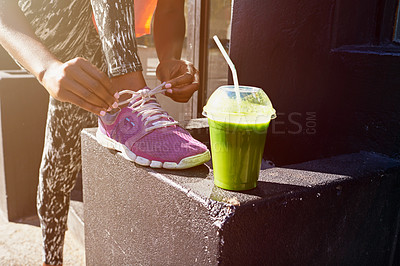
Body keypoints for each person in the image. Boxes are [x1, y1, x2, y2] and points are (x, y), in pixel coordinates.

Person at [0, 0, 210, 265]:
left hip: (94, 39)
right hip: (36, 21)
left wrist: (169, 58)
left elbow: (169, 8)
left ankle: (50, 261)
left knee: (59, 162)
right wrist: (46, 68)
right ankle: (131, 94)